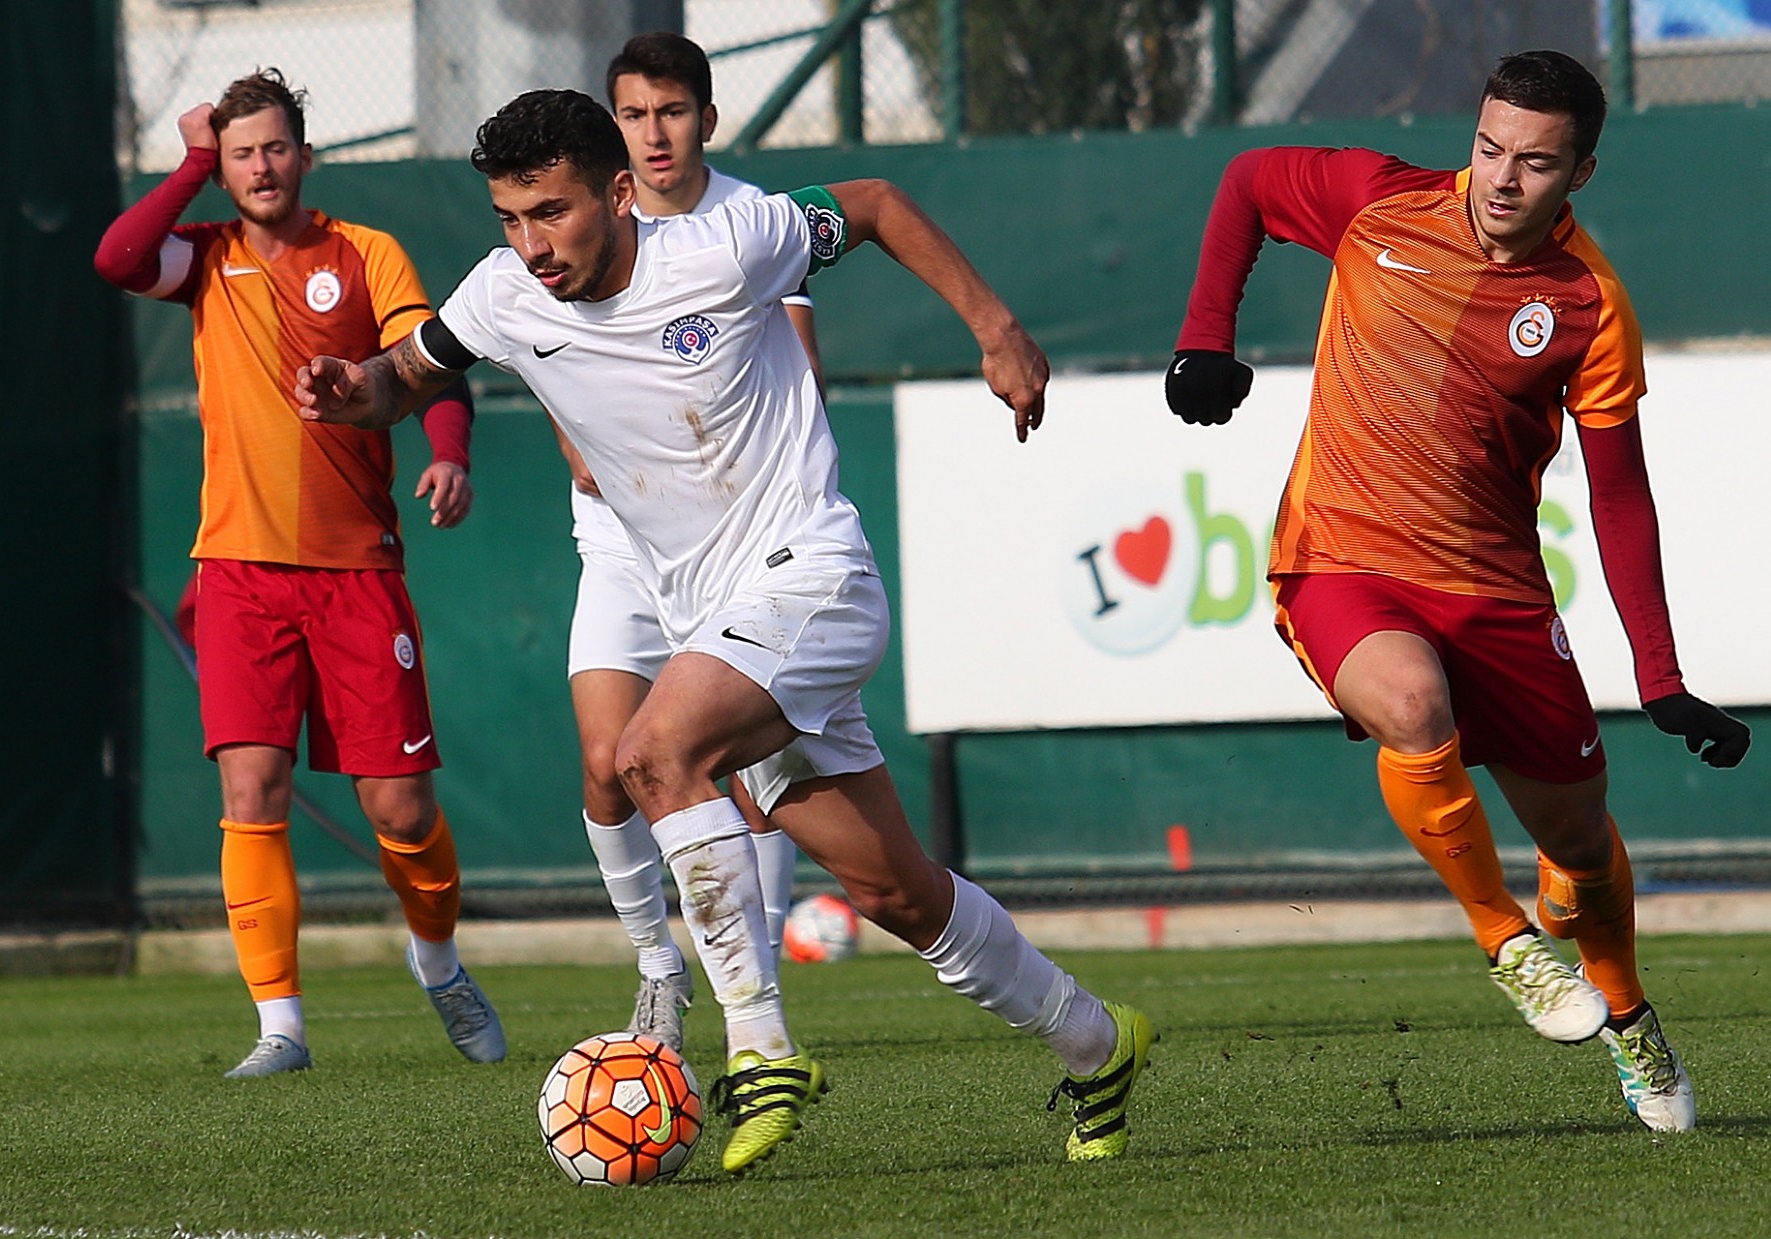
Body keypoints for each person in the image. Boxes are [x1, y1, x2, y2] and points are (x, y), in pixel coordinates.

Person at [293, 88, 1156, 1172]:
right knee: (894, 890)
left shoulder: (724, 243)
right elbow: (406, 377)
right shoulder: (505, 294)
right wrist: (350, 387)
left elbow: (881, 203)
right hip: (716, 619)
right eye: (510, 218)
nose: (531, 243)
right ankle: (1094, 1041)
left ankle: (759, 1047)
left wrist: (996, 328)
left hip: (813, 580)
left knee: (649, 752)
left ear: (617, 192)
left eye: (550, 212)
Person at [1164, 49, 1750, 1133]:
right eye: (1487, 149)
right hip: (1340, 559)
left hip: (1495, 592)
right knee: (1411, 707)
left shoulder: (1589, 303)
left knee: (1582, 847)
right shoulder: (1381, 202)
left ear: (1581, 171)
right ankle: (1506, 941)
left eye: (1535, 162)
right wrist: (1207, 338)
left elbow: (1622, 499)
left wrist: (1661, 679)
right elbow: (1248, 179)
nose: (1499, 179)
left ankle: (1630, 1017)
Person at [95, 70, 505, 1078]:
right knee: (252, 783)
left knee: (400, 810)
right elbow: (116, 256)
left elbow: (431, 363)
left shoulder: (364, 253)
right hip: (237, 569)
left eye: (275, 147)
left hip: (357, 570)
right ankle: (281, 1028)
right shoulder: (205, 257)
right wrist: (187, 159)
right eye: (241, 153)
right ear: (223, 168)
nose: (261, 166)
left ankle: (440, 962)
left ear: (306, 156)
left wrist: (447, 455)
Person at [558, 31, 825, 1053]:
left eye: (673, 111)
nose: (655, 132)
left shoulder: (750, 223)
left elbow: (797, 358)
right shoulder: (581, 221)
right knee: (603, 758)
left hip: (739, 539)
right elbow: (546, 356)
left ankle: (756, 1009)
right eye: (634, 113)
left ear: (706, 118)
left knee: (761, 781)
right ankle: (658, 970)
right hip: (623, 541)